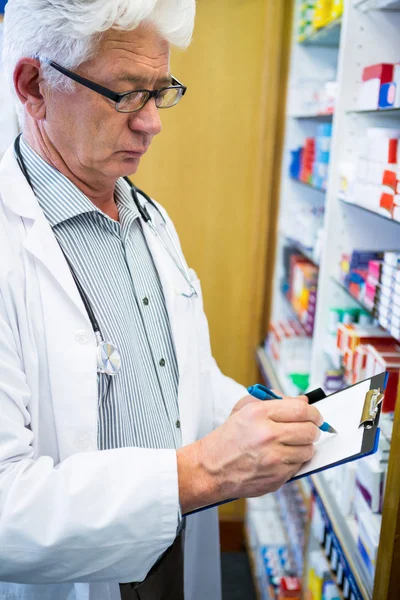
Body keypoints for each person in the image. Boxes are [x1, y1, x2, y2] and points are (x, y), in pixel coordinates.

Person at [0, 1, 323, 599]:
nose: (152, 123)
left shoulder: (149, 220)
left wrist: (254, 419)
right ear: (33, 86)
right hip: (73, 574)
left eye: (161, 91)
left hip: (175, 543)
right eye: (126, 94)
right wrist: (203, 473)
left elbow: (183, 383)